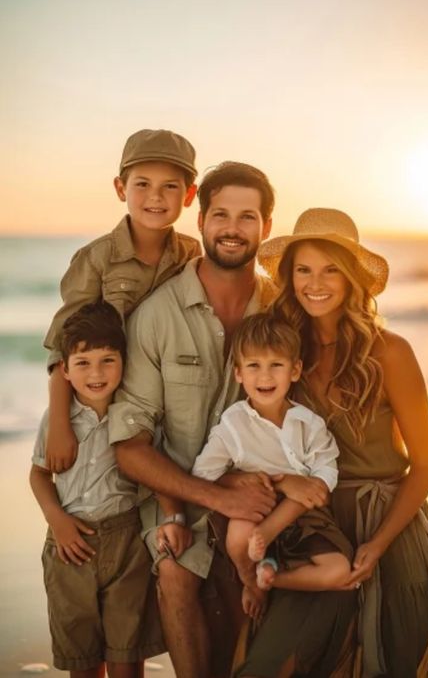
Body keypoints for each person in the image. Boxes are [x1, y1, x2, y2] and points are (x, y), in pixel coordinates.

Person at [109, 163, 355, 678]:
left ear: (266, 227)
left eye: (248, 217)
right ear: (200, 219)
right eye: (220, 214)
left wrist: (287, 482)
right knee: (177, 570)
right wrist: (215, 495)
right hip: (183, 491)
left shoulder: (285, 310)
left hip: (276, 492)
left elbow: (324, 379)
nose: (232, 227)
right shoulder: (158, 314)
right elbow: (130, 444)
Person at [246, 207, 428, 677]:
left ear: (352, 277)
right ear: (289, 277)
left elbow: (425, 464)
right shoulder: (282, 351)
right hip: (313, 526)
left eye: (330, 269)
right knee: (274, 663)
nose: (315, 282)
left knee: (393, 663)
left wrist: (378, 544)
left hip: (391, 525)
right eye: (303, 270)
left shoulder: (390, 351)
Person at [43, 128, 201, 474]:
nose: (155, 197)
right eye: (142, 184)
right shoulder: (97, 259)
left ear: (189, 195)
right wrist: (59, 424)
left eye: (170, 186)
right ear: (120, 188)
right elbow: (63, 346)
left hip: (161, 406)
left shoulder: (190, 253)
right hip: (102, 406)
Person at [30, 301, 163, 678]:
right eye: (83, 363)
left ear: (124, 361)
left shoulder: (135, 414)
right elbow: (39, 475)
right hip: (69, 545)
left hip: (126, 543)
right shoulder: (58, 420)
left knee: (127, 653)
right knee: (82, 658)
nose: (97, 373)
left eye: (108, 360)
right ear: (65, 371)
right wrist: (58, 521)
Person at [192, 312, 353, 623]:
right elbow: (204, 475)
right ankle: (250, 581)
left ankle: (270, 578)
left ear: (294, 370)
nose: (265, 377)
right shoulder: (233, 425)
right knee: (239, 535)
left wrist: (317, 484)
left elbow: (325, 467)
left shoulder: (308, 422)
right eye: (254, 366)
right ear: (238, 373)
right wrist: (253, 480)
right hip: (258, 511)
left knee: (339, 571)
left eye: (275, 365)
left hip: (304, 516)